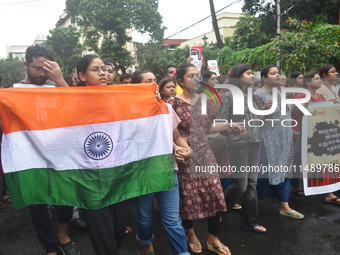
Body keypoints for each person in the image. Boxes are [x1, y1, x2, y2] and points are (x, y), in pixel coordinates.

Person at [168, 63, 245, 255]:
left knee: (215, 194)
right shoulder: (172, 103)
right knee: (188, 199)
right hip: (184, 157)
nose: (196, 79)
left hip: (205, 154)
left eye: (197, 75)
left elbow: (207, 128)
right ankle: (191, 233)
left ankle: (213, 237)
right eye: (191, 76)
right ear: (180, 81)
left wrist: (229, 126)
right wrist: (178, 149)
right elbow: (169, 133)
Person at [11, 44, 78, 255]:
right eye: (37, 68)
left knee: (65, 198)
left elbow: (79, 109)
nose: (42, 74)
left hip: (60, 155)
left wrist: (59, 80)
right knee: (36, 204)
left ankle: (63, 234)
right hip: (28, 158)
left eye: (47, 70)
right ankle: (49, 247)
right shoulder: (12, 93)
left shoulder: (57, 88)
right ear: (26, 65)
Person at [76, 54, 130, 254]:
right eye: (96, 69)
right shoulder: (72, 101)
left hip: (119, 175)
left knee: (117, 232)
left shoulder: (120, 97)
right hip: (90, 179)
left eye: (105, 69)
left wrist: (154, 98)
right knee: (104, 240)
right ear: (82, 76)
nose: (103, 73)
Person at [132, 70, 191, 255]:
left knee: (173, 219)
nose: (153, 84)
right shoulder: (129, 112)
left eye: (154, 81)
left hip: (167, 170)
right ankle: (146, 243)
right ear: (136, 87)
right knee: (144, 216)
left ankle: (182, 252)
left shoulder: (165, 108)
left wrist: (187, 150)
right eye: (147, 81)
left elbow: (176, 136)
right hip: (142, 173)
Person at [217, 64, 266, 234]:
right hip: (238, 145)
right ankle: (219, 212)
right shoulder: (229, 97)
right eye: (249, 73)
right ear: (239, 76)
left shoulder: (251, 96)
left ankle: (250, 222)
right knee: (240, 185)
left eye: (253, 73)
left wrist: (264, 112)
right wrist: (233, 128)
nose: (253, 76)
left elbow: (255, 120)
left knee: (252, 184)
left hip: (255, 142)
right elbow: (220, 122)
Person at [254, 65, 304, 220]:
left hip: (285, 140)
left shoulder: (281, 94)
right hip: (268, 142)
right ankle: (250, 207)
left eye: (278, 73)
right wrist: (263, 109)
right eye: (273, 73)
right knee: (263, 175)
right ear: (264, 78)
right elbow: (252, 121)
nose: (277, 75)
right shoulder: (258, 94)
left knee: (286, 172)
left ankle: (285, 206)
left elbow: (288, 112)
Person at [291, 71, 323, 196]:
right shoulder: (301, 96)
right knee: (299, 159)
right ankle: (296, 186)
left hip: (315, 132)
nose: (319, 81)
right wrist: (301, 105)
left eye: (320, 78)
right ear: (308, 82)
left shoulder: (319, 96)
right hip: (302, 131)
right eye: (316, 79)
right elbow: (292, 112)